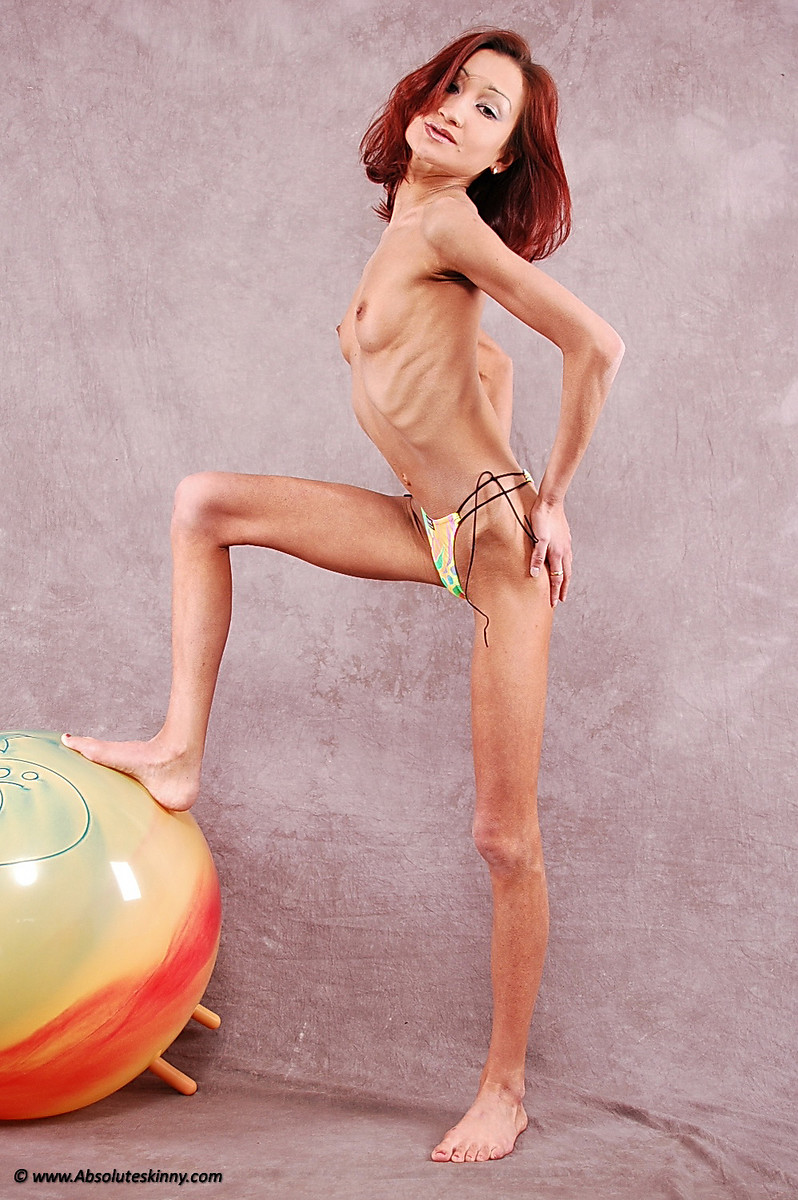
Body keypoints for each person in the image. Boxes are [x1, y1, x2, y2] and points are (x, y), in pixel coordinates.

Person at [62, 28, 624, 1163]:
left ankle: (505, 1088)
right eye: (455, 85)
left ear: (501, 159)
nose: (458, 108)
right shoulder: (409, 234)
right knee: (204, 504)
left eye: (490, 109)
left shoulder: (453, 225)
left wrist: (548, 500)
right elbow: (492, 363)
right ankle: (178, 748)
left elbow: (594, 345)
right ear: (420, 96)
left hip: (499, 556)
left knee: (502, 838)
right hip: (431, 529)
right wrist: (454, 462)